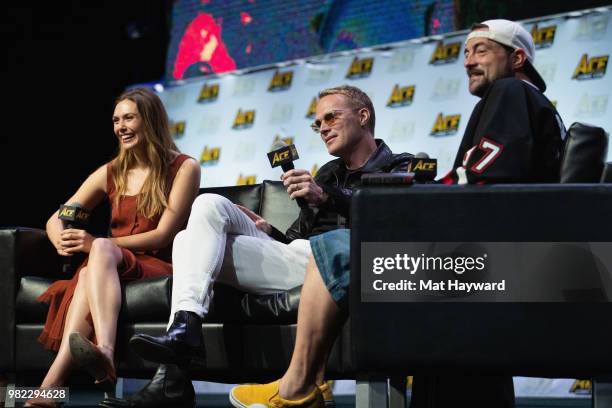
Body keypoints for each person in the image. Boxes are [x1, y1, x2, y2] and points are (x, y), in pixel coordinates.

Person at [230, 19, 565, 408]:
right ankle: (304, 384)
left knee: (339, 247)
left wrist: (408, 204)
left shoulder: (510, 92)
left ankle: (298, 385)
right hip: (493, 250)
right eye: (466, 52)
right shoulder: (528, 103)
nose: (468, 62)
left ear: (518, 57)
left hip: (482, 259)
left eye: (482, 50)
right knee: (339, 246)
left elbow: (477, 181)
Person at [101, 85, 412, 408]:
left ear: (363, 117)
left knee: (185, 238)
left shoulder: (399, 166)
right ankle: (185, 326)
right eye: (317, 123)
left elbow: (396, 219)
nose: (322, 128)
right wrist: (268, 231)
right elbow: (296, 242)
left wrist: (326, 196)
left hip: (344, 267)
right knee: (204, 211)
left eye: (331, 117)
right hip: (299, 263)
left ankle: (172, 379)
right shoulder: (329, 174)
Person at [26, 88, 201, 407]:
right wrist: (60, 239)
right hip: (110, 265)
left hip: (158, 264)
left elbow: (163, 235)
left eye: (129, 117)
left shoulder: (184, 167)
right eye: (116, 120)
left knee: (100, 253)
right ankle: (49, 389)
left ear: (150, 120)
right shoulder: (112, 172)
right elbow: (58, 217)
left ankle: (102, 352)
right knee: (89, 272)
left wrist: (97, 244)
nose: (121, 126)